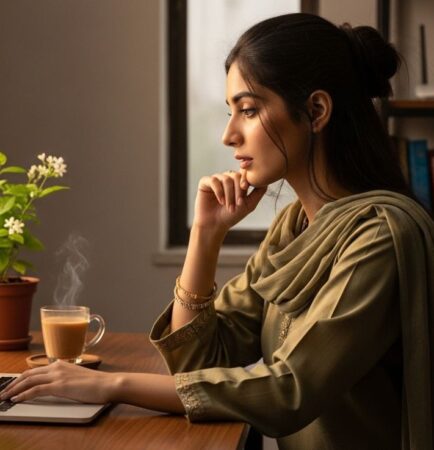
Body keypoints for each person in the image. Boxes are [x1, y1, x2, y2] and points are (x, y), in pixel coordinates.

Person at [1, 13, 433, 450]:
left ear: (316, 111)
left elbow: (290, 390)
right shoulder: (295, 226)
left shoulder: (378, 235)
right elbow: (197, 362)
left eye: (248, 110)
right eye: (231, 112)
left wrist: (110, 386)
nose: (229, 135)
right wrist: (206, 235)